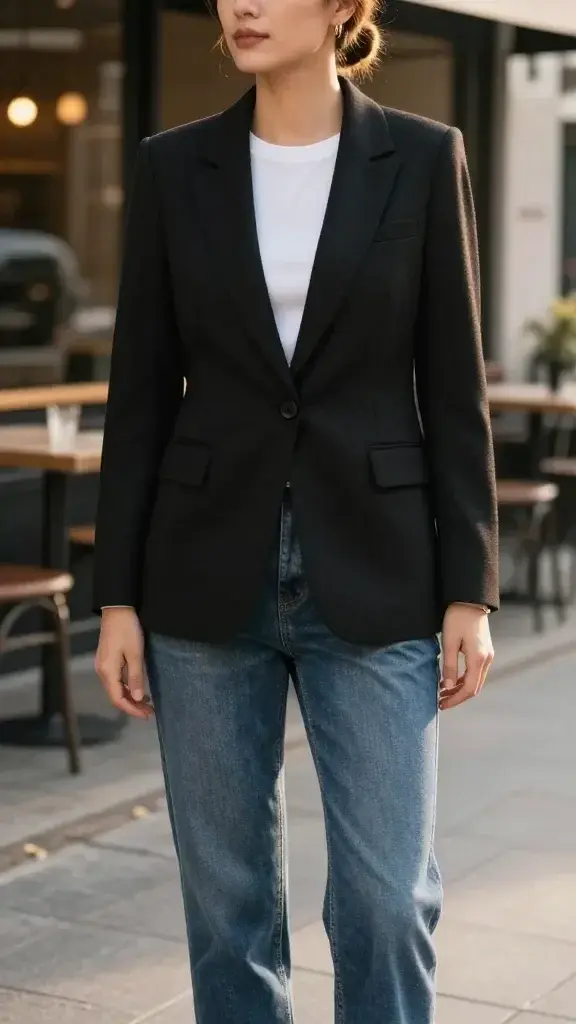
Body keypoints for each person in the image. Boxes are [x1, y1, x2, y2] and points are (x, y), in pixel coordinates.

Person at [93, 0, 499, 1016]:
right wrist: (116, 599)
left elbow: (454, 390)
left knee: (386, 897)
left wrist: (472, 590)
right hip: (200, 575)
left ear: (341, 10)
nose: (243, 4)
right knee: (227, 910)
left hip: (376, 570)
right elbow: (139, 394)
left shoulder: (419, 156)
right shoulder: (173, 166)